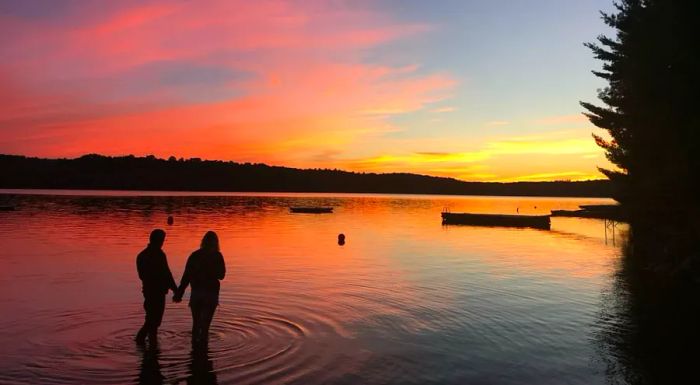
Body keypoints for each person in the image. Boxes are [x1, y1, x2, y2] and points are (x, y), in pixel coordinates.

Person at [174, 231, 226, 345]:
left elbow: (186, 275)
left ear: (203, 242)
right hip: (211, 294)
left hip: (197, 293)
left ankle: (194, 352)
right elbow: (222, 275)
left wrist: (180, 292)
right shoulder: (217, 256)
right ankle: (203, 352)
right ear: (216, 243)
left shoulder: (195, 255)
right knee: (205, 327)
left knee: (196, 324)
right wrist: (211, 271)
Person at [136, 229, 178, 344]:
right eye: (162, 240)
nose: (163, 242)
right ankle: (144, 342)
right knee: (153, 321)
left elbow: (141, 276)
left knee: (151, 320)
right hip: (157, 293)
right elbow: (167, 274)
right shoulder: (159, 255)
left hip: (148, 292)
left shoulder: (141, 255)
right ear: (158, 240)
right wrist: (175, 290)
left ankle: (151, 345)